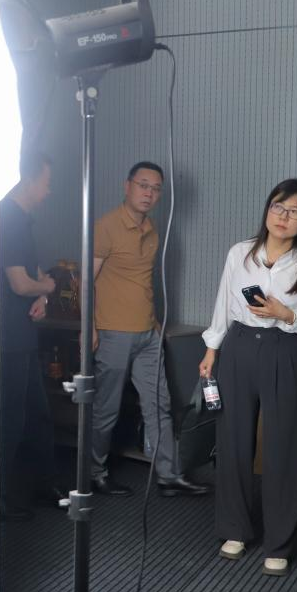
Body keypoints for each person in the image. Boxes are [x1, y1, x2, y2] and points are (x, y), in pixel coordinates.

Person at [198, 179, 297, 577]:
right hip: (238, 346)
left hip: (283, 348)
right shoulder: (240, 253)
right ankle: (234, 529)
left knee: (283, 446)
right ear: (268, 208)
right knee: (233, 440)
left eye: (295, 212)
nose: (284, 217)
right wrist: (211, 349)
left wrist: (287, 314)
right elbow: (224, 302)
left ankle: (279, 542)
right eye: (278, 207)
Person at [90, 162, 209, 498]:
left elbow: (143, 282)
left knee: (159, 406)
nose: (149, 194)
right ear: (127, 186)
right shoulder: (105, 227)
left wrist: (155, 324)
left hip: (147, 333)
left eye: (156, 189)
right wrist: (90, 329)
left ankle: (169, 476)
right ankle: (94, 473)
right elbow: (85, 281)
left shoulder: (153, 229)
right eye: (143, 185)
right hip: (112, 331)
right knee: (105, 408)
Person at [0, 152, 64, 521]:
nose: (49, 190)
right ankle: (1, 498)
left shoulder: (22, 221)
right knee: (11, 418)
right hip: (8, 338)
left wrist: (42, 294)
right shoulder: (7, 218)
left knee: (37, 415)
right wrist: (48, 288)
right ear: (28, 180)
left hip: (21, 334)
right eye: (46, 183)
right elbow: (20, 283)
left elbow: (32, 275)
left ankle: (43, 483)